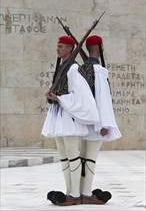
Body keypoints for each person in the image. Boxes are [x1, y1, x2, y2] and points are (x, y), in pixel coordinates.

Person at [41, 36, 102, 206]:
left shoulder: (74, 69)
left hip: (69, 117)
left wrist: (60, 98)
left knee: (72, 155)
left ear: (70, 49)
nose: (58, 49)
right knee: (63, 156)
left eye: (61, 46)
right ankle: (69, 191)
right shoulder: (63, 67)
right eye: (57, 46)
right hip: (60, 116)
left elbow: (80, 96)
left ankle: (76, 194)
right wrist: (52, 96)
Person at [78, 35, 122, 204]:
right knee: (90, 159)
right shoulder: (98, 71)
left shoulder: (82, 69)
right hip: (96, 124)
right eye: (102, 46)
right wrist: (104, 124)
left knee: (81, 158)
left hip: (83, 122)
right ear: (97, 48)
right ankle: (87, 193)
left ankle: (79, 190)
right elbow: (102, 100)